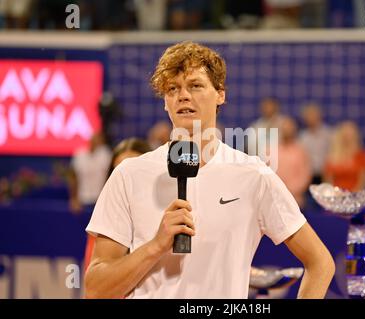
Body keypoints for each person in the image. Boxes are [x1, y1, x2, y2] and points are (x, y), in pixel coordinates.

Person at [84, 42, 334, 299]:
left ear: (220, 94)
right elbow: (96, 288)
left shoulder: (254, 175)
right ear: (165, 103)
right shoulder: (129, 174)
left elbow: (320, 263)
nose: (183, 95)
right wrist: (155, 246)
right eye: (173, 88)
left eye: (195, 85)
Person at [84, 137, 150, 271]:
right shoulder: (103, 224)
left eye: (133, 171)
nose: (124, 179)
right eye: (118, 171)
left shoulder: (167, 216)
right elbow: (97, 285)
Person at [68, 132, 112, 213]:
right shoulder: (79, 154)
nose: (96, 141)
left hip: (100, 200)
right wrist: (74, 198)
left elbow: (109, 177)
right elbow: (73, 178)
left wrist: (107, 199)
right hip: (83, 199)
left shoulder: (106, 154)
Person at [323, 121, 365, 192]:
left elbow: (363, 182)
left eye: (350, 136)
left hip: (356, 195)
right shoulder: (332, 157)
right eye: (345, 136)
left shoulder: (363, 156)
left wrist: (351, 196)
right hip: (335, 196)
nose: (347, 139)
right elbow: (328, 181)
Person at [276, 117, 312, 208]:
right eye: (284, 129)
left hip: (296, 198)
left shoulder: (301, 150)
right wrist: (279, 190)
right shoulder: (271, 150)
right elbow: (268, 173)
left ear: (294, 131)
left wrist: (289, 191)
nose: (286, 131)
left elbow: (305, 175)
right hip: (275, 197)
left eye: (289, 129)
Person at [298, 103, 332, 185]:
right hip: (308, 175)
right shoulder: (302, 137)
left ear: (319, 116)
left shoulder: (328, 134)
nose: (311, 118)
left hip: (326, 174)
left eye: (313, 115)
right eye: (308, 116)